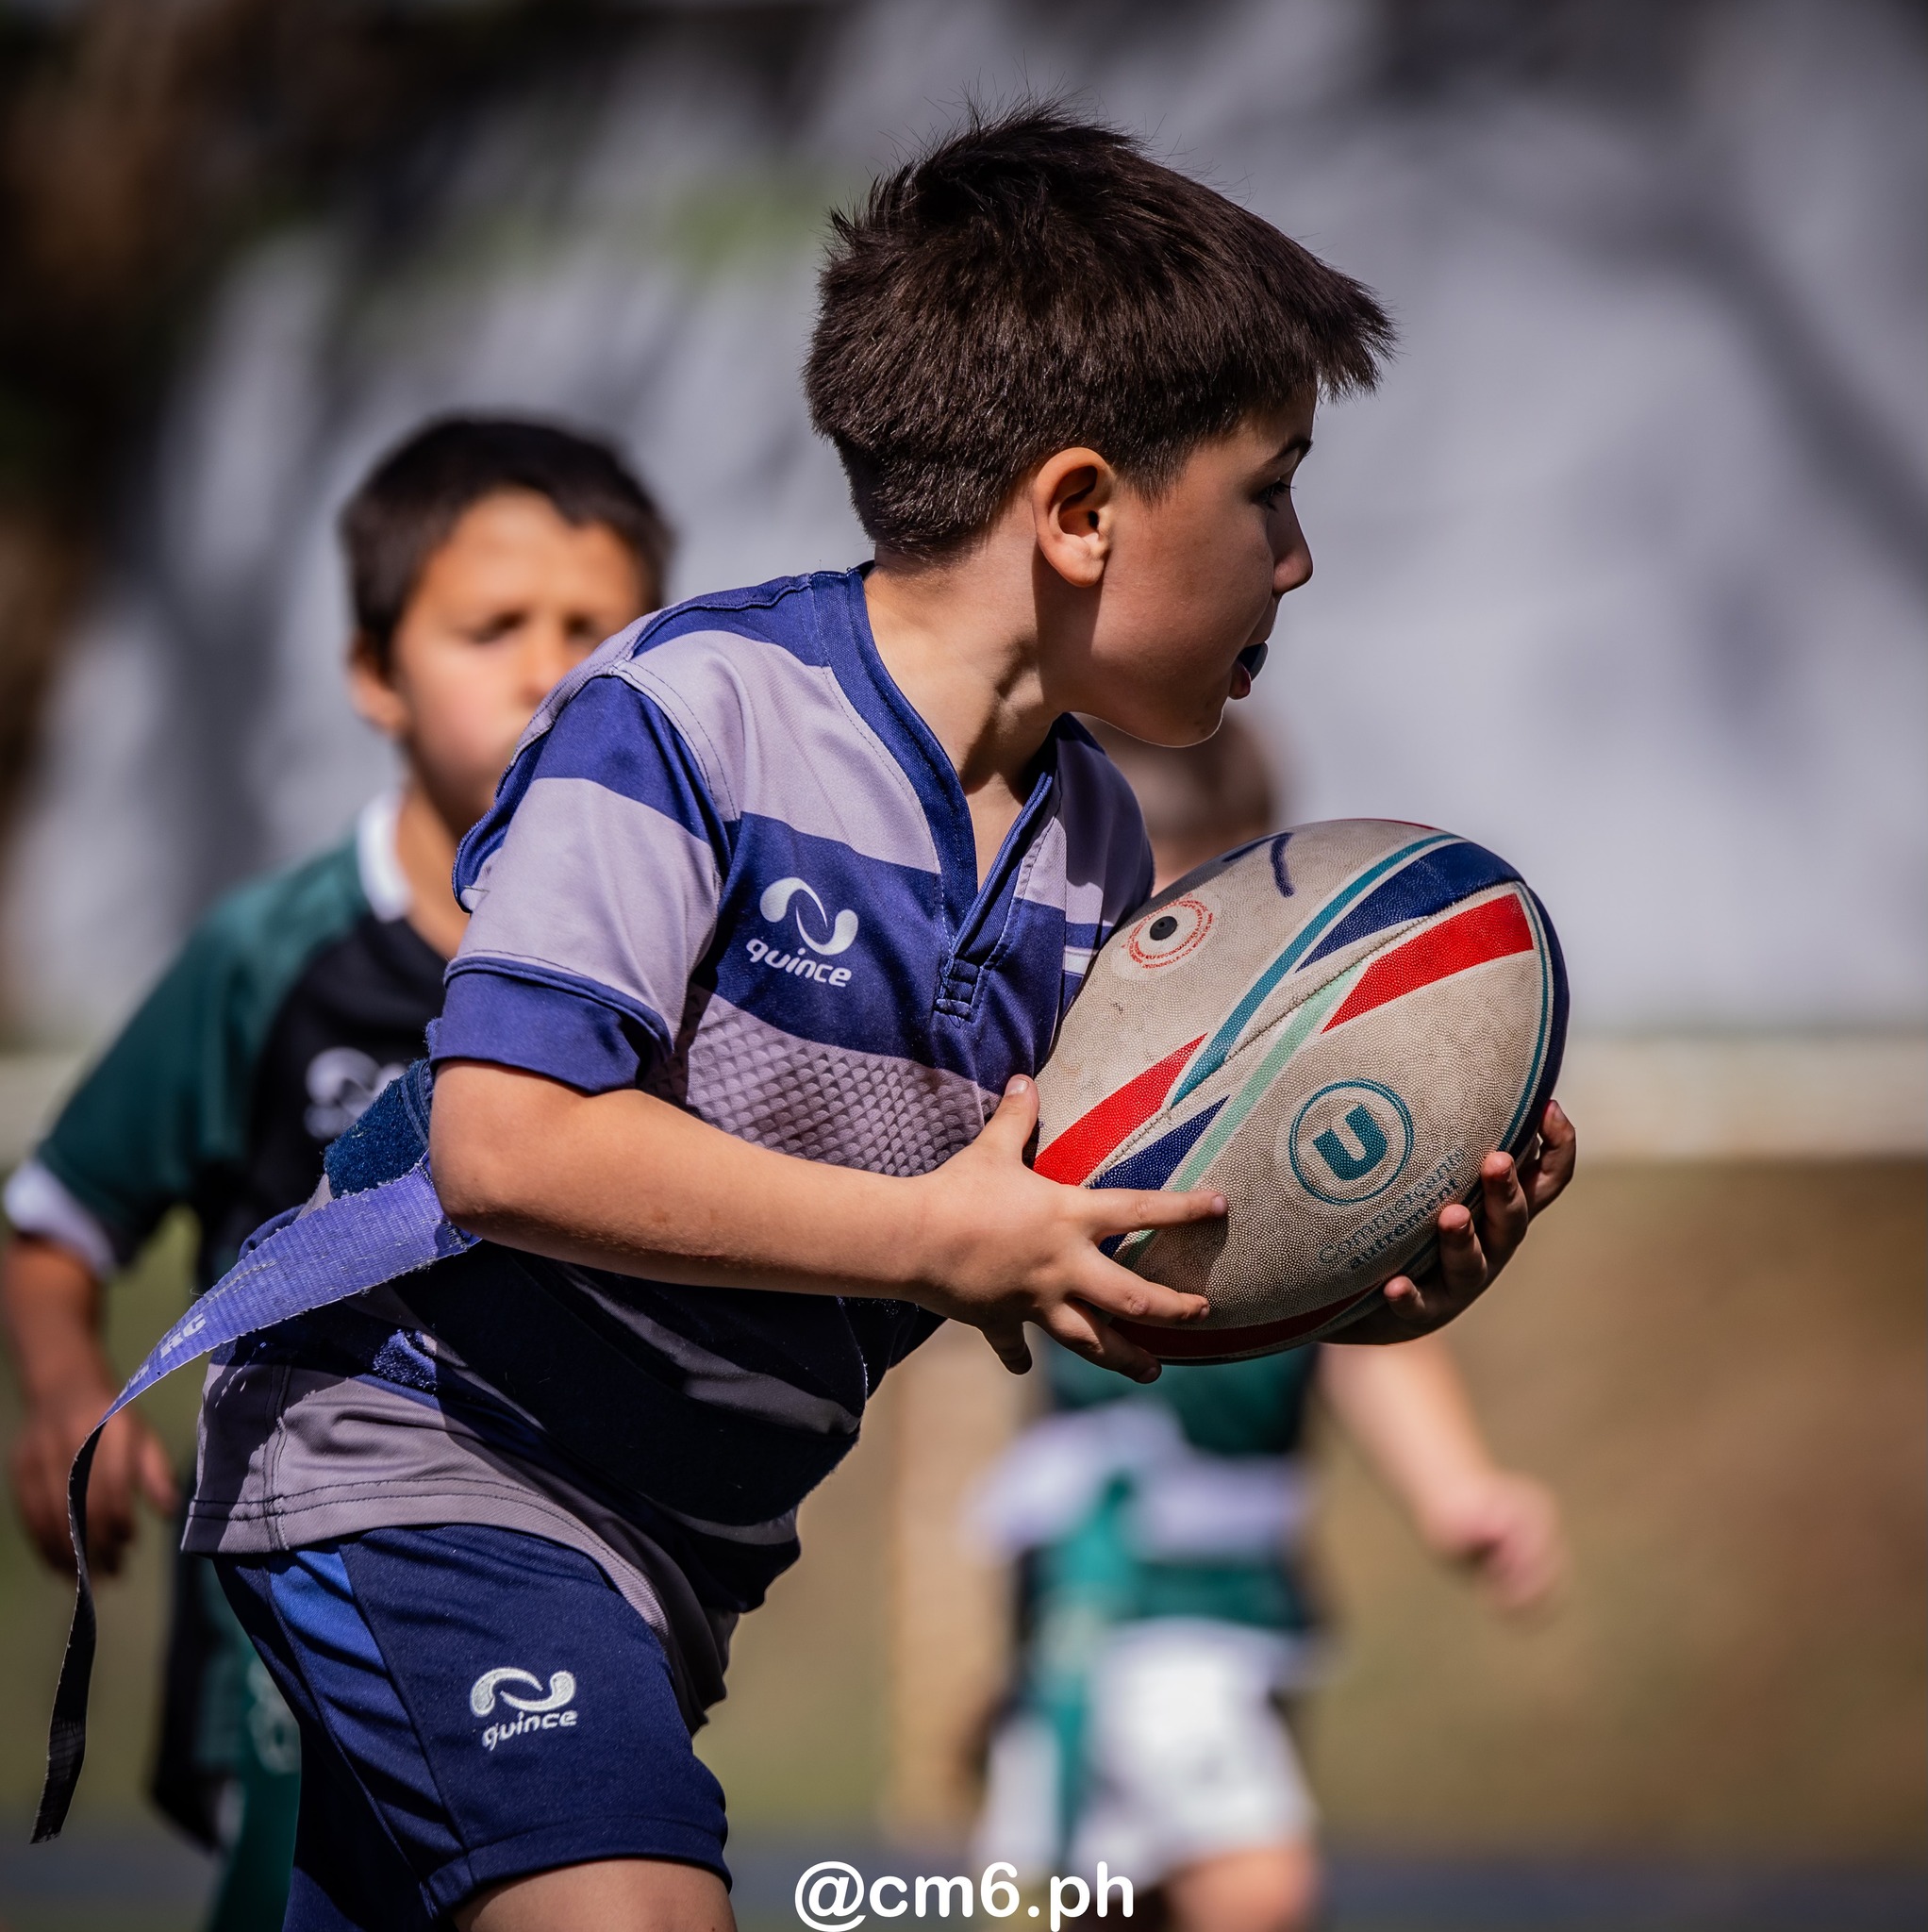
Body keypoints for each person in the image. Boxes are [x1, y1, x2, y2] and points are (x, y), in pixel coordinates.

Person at [41, 105, 1574, 1932]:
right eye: (1269, 491)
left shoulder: (1093, 853)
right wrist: (932, 1235)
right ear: (1081, 511)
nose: (1297, 557)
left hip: (667, 1555)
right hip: (427, 1455)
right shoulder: (690, 716)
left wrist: (1351, 1269)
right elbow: (504, 1141)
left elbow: (1077, 1252)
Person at [4, 416, 669, 1929]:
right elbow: (55, 1221)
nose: (553, 671)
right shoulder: (273, 955)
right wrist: (61, 1396)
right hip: (304, 1551)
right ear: (374, 672)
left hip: (571, 1550)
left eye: (598, 631)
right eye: (495, 628)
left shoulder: (667, 965)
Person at [972, 715, 1567, 1932]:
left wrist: (1457, 1489)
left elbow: (1361, 1345)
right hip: (1126, 1570)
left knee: (1128, 1905)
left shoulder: (1306, 1126)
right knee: (1257, 1885)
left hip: (1246, 1576)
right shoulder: (1065, 1098)